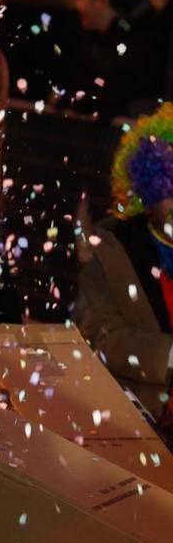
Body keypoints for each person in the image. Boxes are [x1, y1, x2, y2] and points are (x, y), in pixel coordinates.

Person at [76, 104, 173, 424]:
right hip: (141, 423)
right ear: (147, 189)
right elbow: (99, 336)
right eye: (169, 190)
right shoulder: (110, 251)